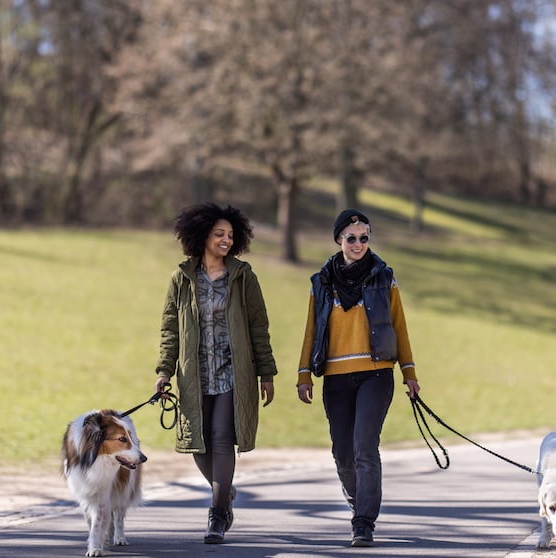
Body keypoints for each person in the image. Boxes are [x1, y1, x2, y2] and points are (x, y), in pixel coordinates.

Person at [296, 208, 420, 548]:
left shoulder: (384, 277)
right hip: (335, 377)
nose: (358, 243)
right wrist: (304, 373)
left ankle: (364, 521)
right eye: (352, 238)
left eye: (364, 238)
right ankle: (358, 501)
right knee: (342, 452)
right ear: (339, 239)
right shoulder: (321, 282)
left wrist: (408, 372)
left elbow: (399, 327)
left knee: (365, 447)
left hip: (376, 374)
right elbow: (311, 330)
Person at [154, 202, 277, 544]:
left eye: (230, 235)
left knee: (222, 438)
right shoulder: (182, 278)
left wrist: (266, 373)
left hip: (233, 372)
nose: (225, 240)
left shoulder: (243, 276)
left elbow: (258, 327)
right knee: (197, 443)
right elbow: (169, 330)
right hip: (195, 373)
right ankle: (226, 492)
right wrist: (164, 372)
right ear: (202, 235)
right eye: (219, 234)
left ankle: (217, 515)